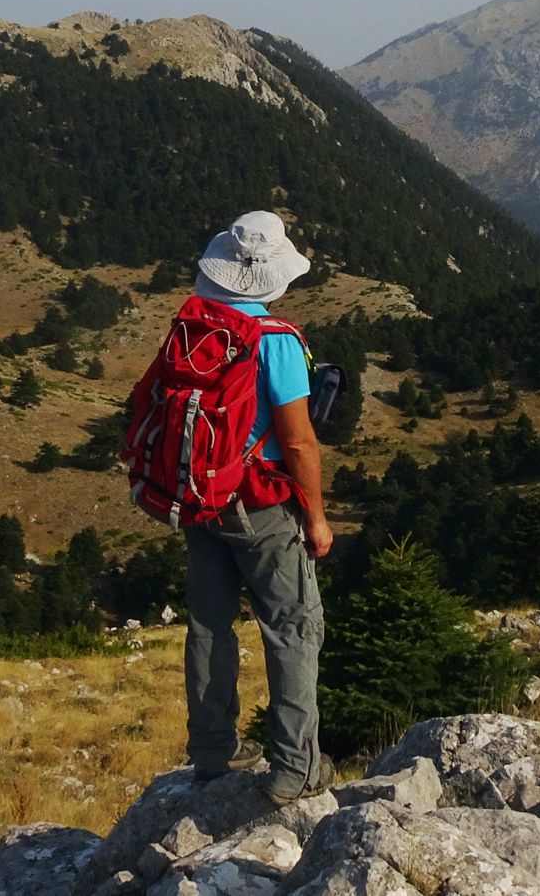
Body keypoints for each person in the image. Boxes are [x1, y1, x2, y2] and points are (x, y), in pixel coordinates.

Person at [178, 211, 334, 804]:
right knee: (293, 628)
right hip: (260, 505)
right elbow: (297, 441)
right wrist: (316, 517)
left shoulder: (194, 328)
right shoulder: (275, 340)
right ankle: (296, 770)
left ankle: (212, 754)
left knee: (208, 625)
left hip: (200, 499)